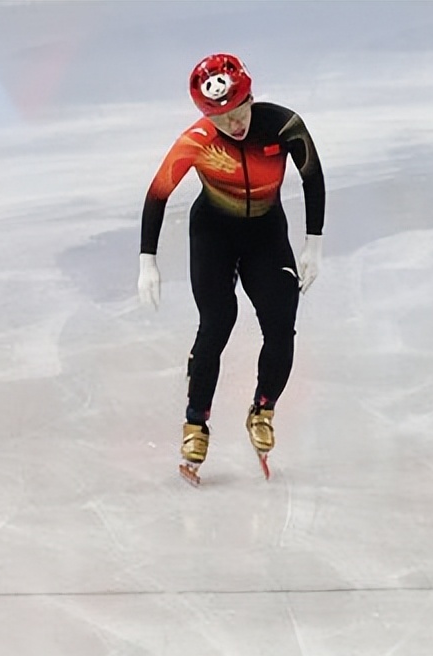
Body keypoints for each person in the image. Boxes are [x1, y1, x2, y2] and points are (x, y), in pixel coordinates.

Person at [139, 53, 325, 483]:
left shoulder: (283, 125)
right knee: (218, 322)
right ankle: (195, 423)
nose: (234, 124)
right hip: (214, 236)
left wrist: (313, 243)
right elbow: (157, 194)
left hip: (266, 235)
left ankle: (263, 409)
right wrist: (147, 259)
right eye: (220, 118)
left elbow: (312, 177)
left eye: (239, 111)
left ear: (250, 97)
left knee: (281, 323)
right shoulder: (197, 140)